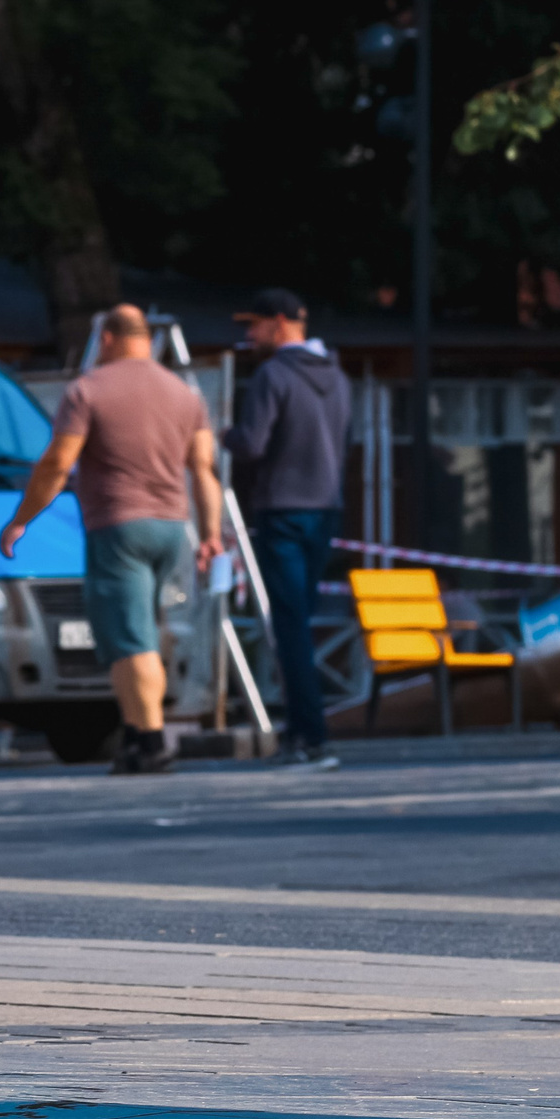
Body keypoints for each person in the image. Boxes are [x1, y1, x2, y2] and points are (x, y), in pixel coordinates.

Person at [1, 304, 221, 775]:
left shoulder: (88, 390)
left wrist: (22, 520)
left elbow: (59, 462)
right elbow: (203, 471)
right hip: (169, 527)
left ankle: (152, 741)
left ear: (105, 339)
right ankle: (139, 735)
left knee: (130, 639)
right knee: (141, 634)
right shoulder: (185, 394)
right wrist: (210, 535)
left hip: (119, 525)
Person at [228, 287, 353, 766]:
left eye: (254, 325)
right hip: (325, 505)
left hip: (282, 506)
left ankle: (309, 733)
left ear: (279, 324)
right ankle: (306, 729)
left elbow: (252, 444)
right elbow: (348, 439)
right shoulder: (338, 376)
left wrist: (219, 433)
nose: (249, 334)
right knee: (301, 619)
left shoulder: (273, 375)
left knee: (290, 626)